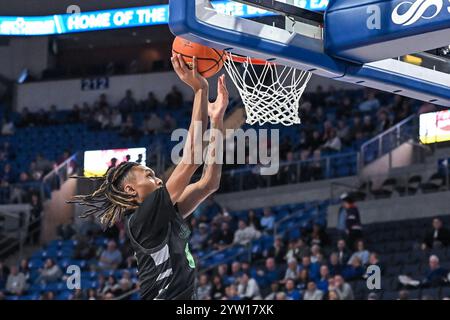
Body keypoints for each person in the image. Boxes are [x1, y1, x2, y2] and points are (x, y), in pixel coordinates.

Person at [69, 55, 229, 300]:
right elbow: (191, 160)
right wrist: (200, 89)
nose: (158, 179)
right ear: (132, 190)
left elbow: (209, 183)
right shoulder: (142, 219)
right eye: (150, 175)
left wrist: (216, 121)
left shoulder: (162, 214)